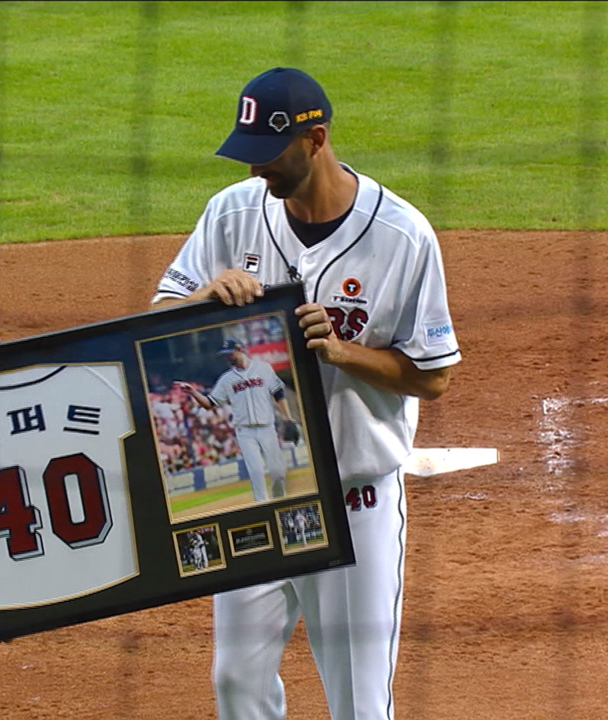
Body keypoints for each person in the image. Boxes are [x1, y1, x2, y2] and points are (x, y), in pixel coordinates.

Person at [151, 67, 461, 720]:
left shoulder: (402, 237)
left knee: (358, 703)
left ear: (315, 139)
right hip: (256, 500)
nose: (256, 167)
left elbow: (432, 375)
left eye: (269, 153)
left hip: (354, 501)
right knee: (236, 682)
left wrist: (343, 353)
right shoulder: (232, 212)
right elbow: (161, 312)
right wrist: (206, 298)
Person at [175, 338, 295, 501]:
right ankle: (263, 505)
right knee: (256, 472)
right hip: (245, 432)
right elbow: (210, 404)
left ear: (240, 350)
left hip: (267, 428)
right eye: (225, 354)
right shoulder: (226, 379)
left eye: (229, 353)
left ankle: (280, 500)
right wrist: (193, 393)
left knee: (278, 472)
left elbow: (278, 393)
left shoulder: (263, 368)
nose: (227, 357)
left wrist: (288, 418)